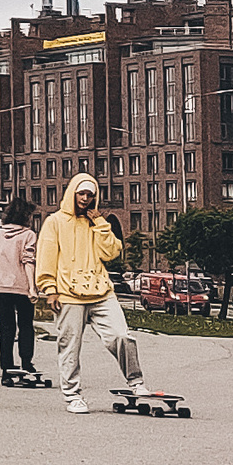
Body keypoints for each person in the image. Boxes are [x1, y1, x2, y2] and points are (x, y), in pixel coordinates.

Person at [37, 173, 159, 413]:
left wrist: (101, 224)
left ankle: (136, 382)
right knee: (70, 345)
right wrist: (49, 289)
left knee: (121, 336)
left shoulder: (96, 222)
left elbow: (111, 252)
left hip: (101, 292)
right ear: (72, 193)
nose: (85, 198)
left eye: (90, 195)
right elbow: (45, 258)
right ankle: (72, 396)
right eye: (81, 194)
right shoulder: (55, 221)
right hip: (69, 294)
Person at [0, 196, 44, 387]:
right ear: (25, 216)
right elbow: (28, 261)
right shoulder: (28, 234)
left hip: (0, 287)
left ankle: (6, 369)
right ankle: (26, 363)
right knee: (26, 325)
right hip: (20, 287)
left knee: (6, 329)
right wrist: (32, 287)